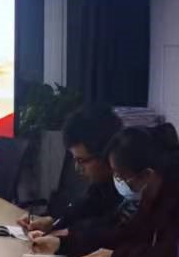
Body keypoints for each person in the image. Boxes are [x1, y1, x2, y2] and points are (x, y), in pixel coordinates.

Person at [41, 123, 179, 257]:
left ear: (147, 175)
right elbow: (124, 234)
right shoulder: (151, 192)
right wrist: (62, 244)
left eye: (119, 176)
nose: (117, 182)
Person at [20, 104, 127, 246]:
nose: (77, 168)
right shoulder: (101, 185)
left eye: (82, 161)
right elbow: (82, 209)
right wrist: (52, 222)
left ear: (107, 155)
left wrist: (63, 236)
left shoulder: (130, 189)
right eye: (75, 160)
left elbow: (107, 230)